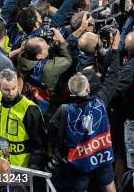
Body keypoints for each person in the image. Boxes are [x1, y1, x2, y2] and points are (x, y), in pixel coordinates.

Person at [47, 28, 121, 192]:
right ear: (88, 90)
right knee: (109, 185)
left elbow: (52, 131)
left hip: (79, 160)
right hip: (102, 155)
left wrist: (60, 151)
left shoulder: (64, 110)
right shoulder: (100, 102)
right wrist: (115, 48)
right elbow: (113, 77)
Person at [0, 69, 46, 169]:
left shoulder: (29, 109)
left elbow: (39, 145)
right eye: (6, 90)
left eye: (14, 88)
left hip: (19, 169)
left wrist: (30, 172)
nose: (11, 93)